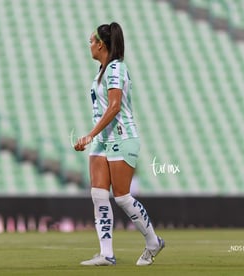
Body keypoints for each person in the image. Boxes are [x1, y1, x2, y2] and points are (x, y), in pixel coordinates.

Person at [74, 22, 165, 266]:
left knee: (122, 197)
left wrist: (90, 134)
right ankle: (106, 254)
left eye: (92, 41)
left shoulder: (116, 68)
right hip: (104, 141)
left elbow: (114, 107)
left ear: (101, 44)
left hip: (122, 137)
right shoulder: (103, 70)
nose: (90, 45)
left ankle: (153, 241)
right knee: (98, 194)